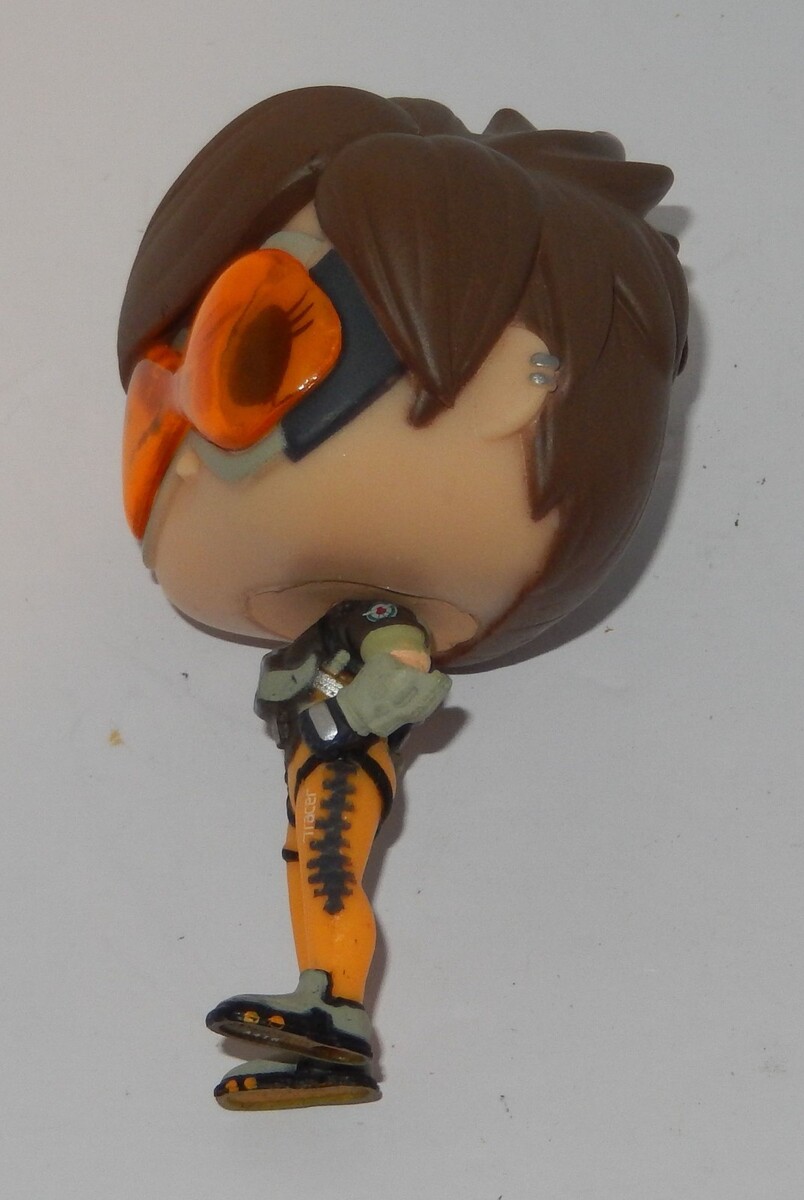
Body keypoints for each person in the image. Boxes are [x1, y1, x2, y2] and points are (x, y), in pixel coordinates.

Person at [119, 86, 688, 1107]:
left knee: (328, 871)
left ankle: (332, 1007)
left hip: (343, 763)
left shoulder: (384, 622)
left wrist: (340, 720)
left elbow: (405, 685)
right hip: (322, 759)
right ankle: (322, 1010)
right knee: (313, 867)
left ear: (515, 383)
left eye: (252, 350)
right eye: (160, 387)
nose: (185, 453)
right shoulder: (346, 621)